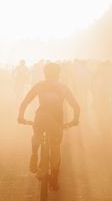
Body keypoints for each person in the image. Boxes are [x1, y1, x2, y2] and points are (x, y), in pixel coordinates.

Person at [18, 62, 80, 190]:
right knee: (55, 148)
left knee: (37, 135)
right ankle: (55, 180)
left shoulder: (40, 85)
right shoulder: (63, 88)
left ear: (45, 74)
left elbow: (25, 102)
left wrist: (21, 117)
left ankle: (34, 153)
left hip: (40, 117)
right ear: (58, 74)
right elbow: (76, 106)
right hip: (56, 121)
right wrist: (75, 120)